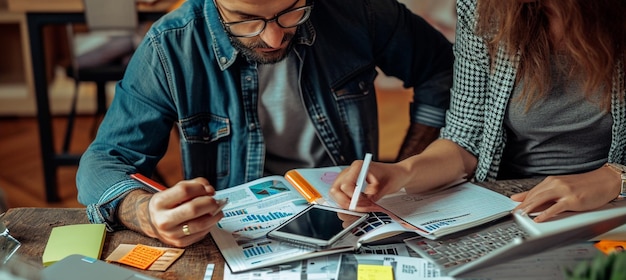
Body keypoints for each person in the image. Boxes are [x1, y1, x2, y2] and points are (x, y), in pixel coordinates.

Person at [76, 0, 454, 247]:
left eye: (291, 11)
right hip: (235, 235)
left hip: (351, 220)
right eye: (245, 20)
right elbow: (104, 163)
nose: (273, 37)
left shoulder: (359, 11)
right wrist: (145, 213)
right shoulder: (171, 45)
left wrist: (407, 167)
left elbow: (441, 69)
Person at [331, 0, 626, 223]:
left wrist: (615, 179)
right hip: (512, 203)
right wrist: (401, 173)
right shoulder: (484, 8)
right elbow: (464, 139)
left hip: (609, 210)